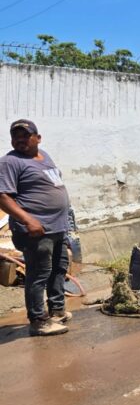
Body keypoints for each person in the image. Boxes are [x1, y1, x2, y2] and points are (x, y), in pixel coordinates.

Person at [0, 119, 72, 336]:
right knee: (39, 273)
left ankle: (57, 310)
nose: (20, 139)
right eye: (16, 136)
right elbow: (3, 197)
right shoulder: (10, 162)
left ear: (37, 138)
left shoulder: (45, 157)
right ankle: (38, 320)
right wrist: (28, 220)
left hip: (57, 227)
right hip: (35, 230)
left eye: (25, 135)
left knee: (59, 269)